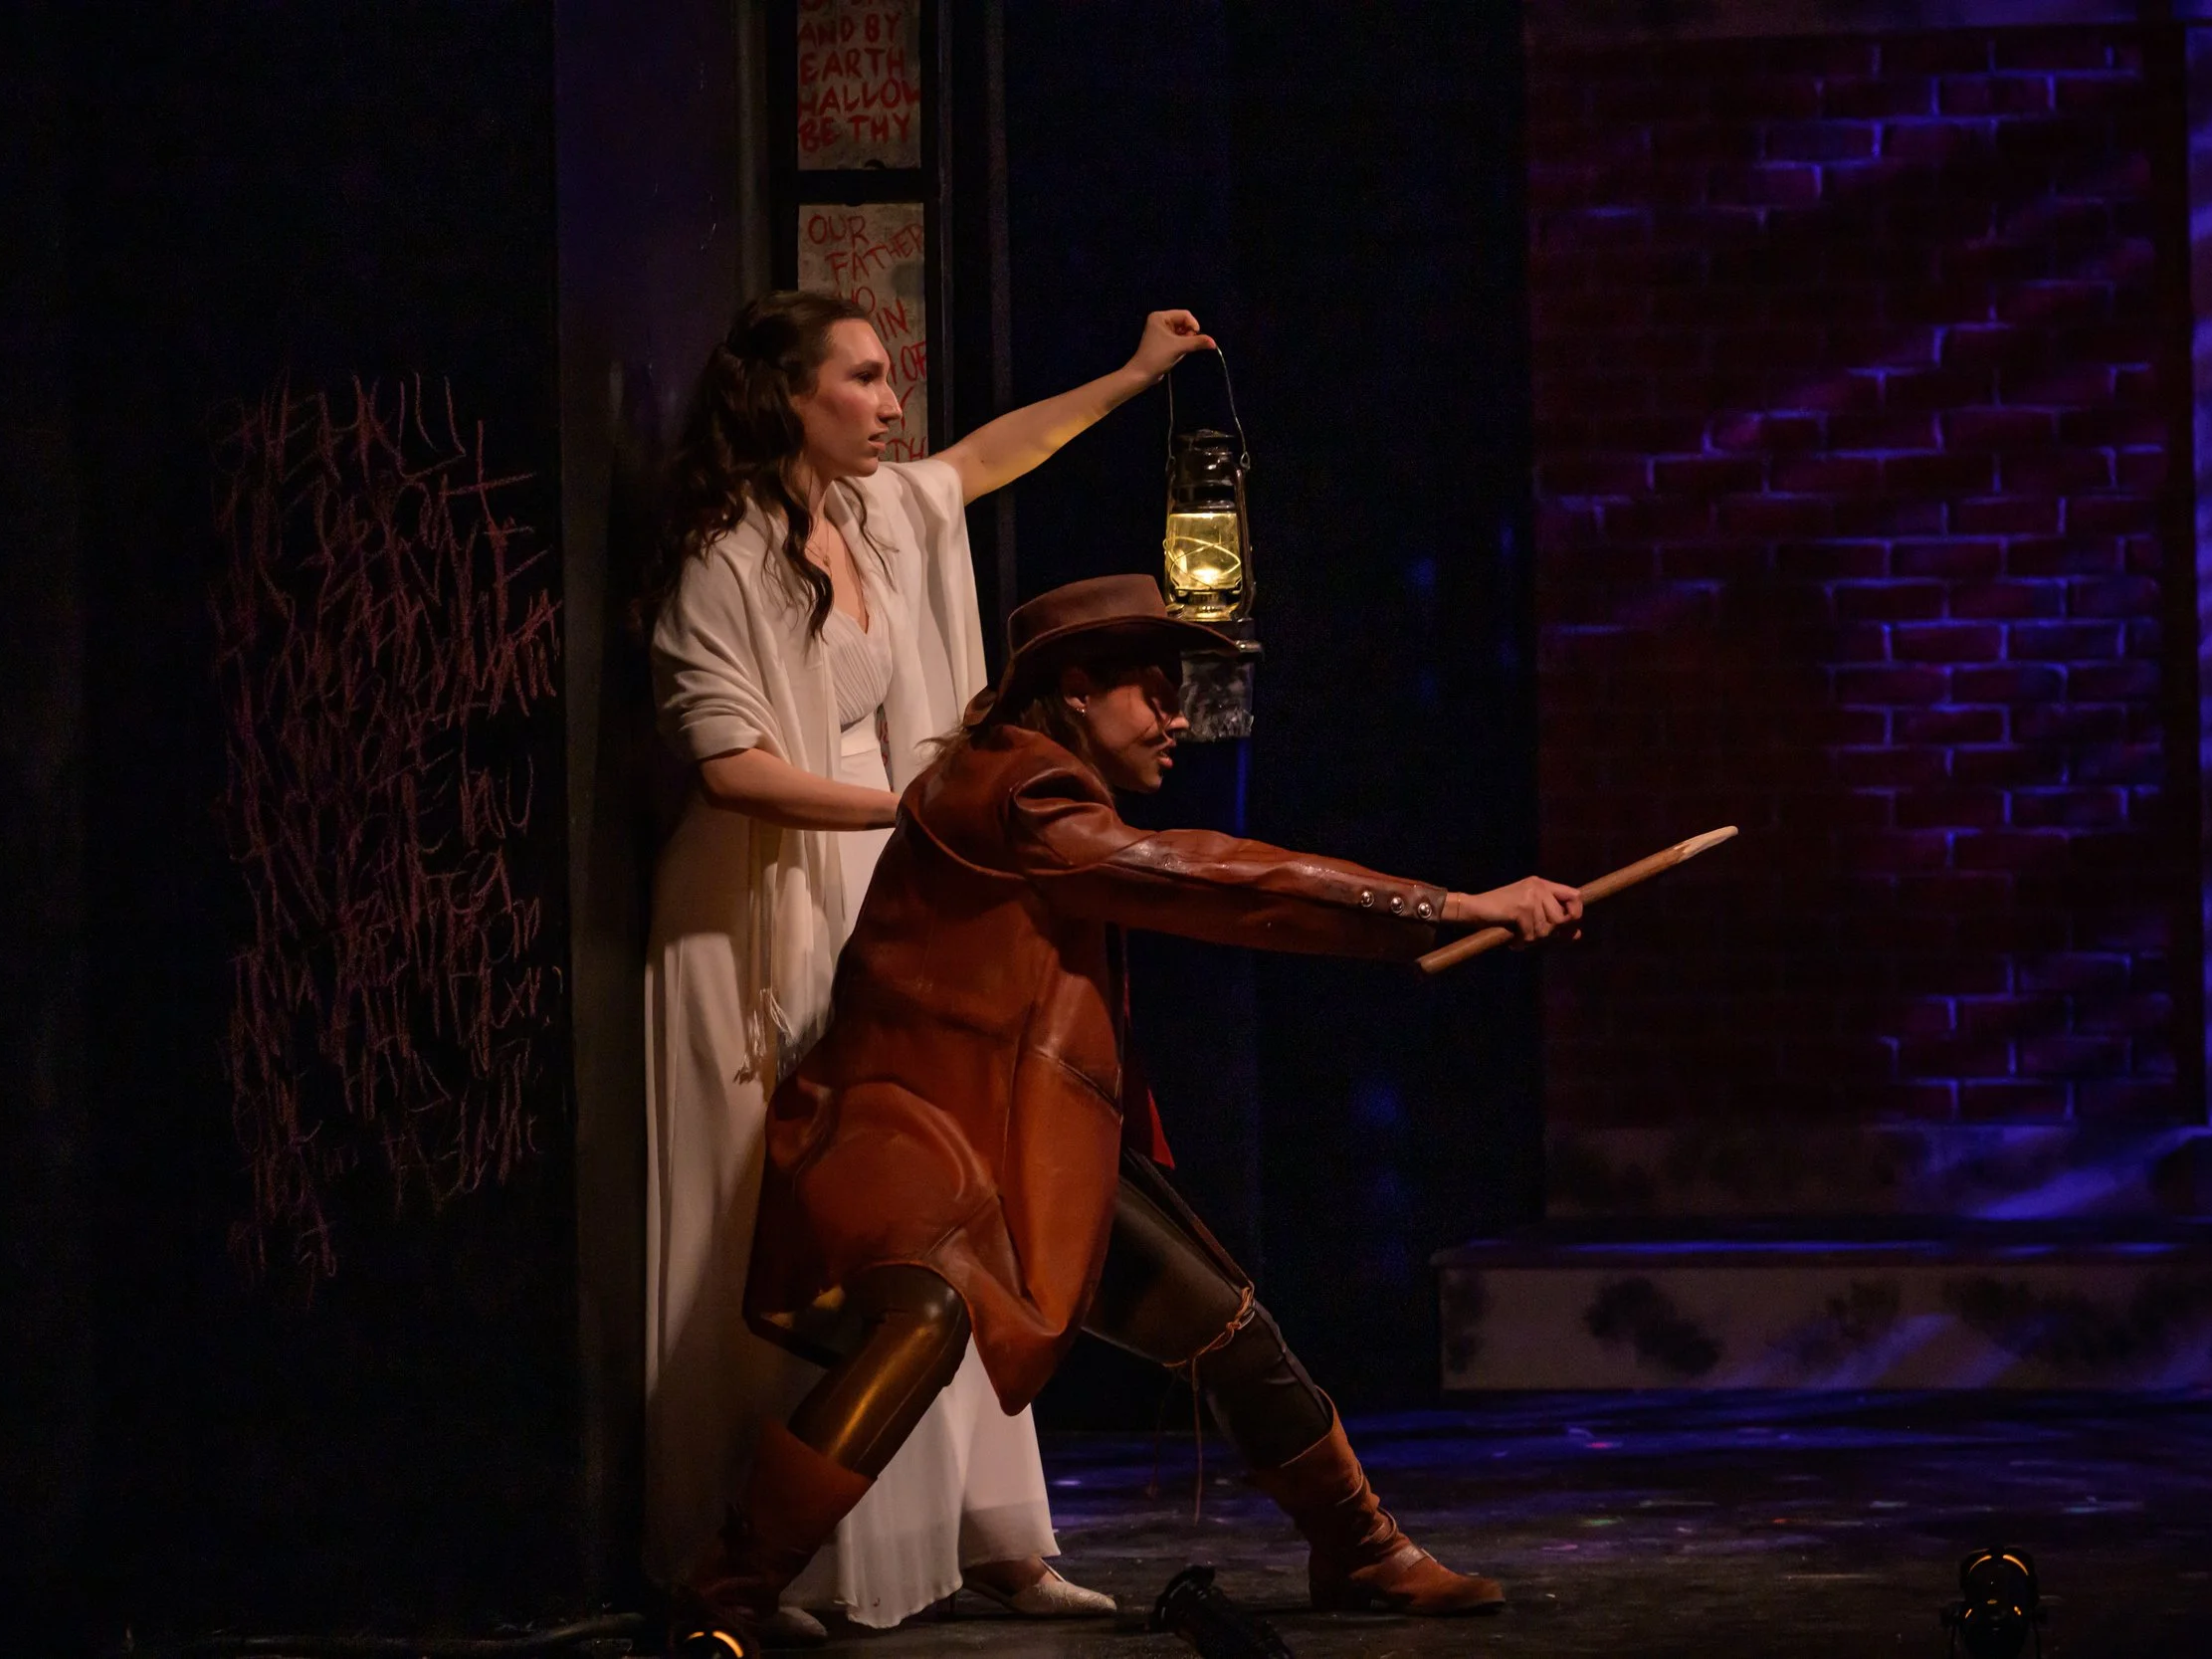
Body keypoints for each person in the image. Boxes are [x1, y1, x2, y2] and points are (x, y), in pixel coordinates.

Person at [678, 573, 1585, 1650]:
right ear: (1072, 691)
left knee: (1231, 1331)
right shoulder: (1015, 793)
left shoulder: (1040, 786)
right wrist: (1447, 906)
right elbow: (1210, 877)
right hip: (904, 1129)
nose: (1175, 720)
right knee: (922, 1318)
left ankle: (1359, 1545)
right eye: (1151, 694)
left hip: (1012, 1137)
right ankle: (730, 1589)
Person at [641, 294, 1220, 1641]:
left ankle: (990, 1528)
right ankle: (778, 1551)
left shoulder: (880, 517)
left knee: (956, 1204)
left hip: (885, 879)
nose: (892, 401)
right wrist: (911, 811)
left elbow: (988, 458)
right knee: (817, 1224)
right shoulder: (726, 556)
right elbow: (729, 766)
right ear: (790, 395)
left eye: (892, 376)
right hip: (766, 903)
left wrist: (1132, 375)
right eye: (864, 376)